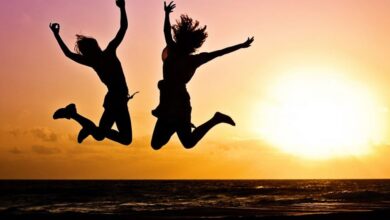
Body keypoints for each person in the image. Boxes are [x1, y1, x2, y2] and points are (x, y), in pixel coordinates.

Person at [151, 1, 254, 150]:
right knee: (156, 144)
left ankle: (215, 119)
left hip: (179, 104)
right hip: (167, 103)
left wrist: (241, 46)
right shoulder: (176, 52)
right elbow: (166, 32)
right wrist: (166, 14)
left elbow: (219, 53)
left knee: (188, 143)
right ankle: (176, 125)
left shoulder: (191, 59)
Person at [49, 0, 133, 145]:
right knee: (120, 138)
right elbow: (123, 28)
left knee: (102, 134)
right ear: (96, 46)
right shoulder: (107, 53)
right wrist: (122, 8)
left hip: (116, 99)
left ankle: (76, 117)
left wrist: (56, 34)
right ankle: (78, 118)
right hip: (116, 100)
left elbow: (68, 54)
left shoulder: (95, 61)